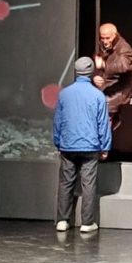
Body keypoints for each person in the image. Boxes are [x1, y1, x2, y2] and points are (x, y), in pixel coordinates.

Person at [53, 56, 112, 234]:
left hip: (68, 145)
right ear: (91, 72)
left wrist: (58, 142)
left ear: (76, 71)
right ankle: (87, 222)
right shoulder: (98, 95)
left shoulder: (64, 94)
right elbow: (103, 124)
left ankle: (62, 220)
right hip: (90, 146)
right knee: (88, 184)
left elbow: (58, 122)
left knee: (65, 183)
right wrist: (105, 147)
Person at [93, 23, 132, 130]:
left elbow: (124, 66)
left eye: (108, 38)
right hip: (104, 87)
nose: (105, 41)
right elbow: (97, 66)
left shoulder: (124, 49)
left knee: (103, 124)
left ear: (115, 35)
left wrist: (104, 65)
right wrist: (95, 77)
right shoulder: (103, 46)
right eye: (102, 38)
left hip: (117, 90)